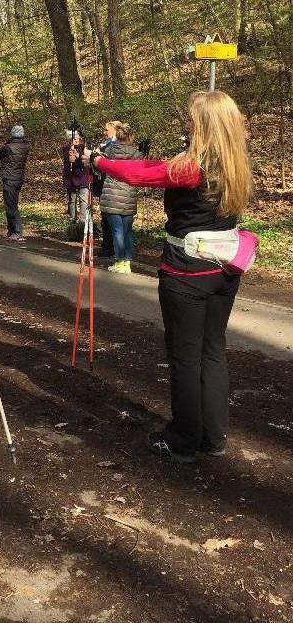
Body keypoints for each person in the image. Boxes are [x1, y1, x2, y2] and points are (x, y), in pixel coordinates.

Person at [85, 90, 253, 463]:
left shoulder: (193, 167)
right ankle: (213, 435)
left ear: (204, 125)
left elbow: (138, 173)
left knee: (185, 356)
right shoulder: (234, 161)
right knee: (212, 351)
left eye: (193, 119)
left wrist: (98, 160)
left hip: (188, 273)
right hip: (224, 270)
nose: (187, 124)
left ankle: (183, 439)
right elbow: (156, 166)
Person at [99, 123, 141, 274]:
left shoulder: (110, 150)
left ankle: (119, 261)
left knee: (117, 230)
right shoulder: (136, 154)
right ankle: (127, 263)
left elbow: (98, 163)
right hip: (128, 194)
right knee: (127, 231)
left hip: (112, 196)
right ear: (130, 137)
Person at [0, 125, 29, 241]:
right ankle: (11, 230)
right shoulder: (25, 146)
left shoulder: (8, 147)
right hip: (18, 178)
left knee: (11, 206)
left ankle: (17, 232)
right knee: (12, 204)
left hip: (10, 179)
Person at [95, 121, 121, 258]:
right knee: (105, 216)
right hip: (104, 184)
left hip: (112, 186)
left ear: (116, 131)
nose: (104, 132)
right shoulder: (105, 144)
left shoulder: (114, 146)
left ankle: (110, 247)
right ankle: (108, 245)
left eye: (107, 130)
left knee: (110, 217)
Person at [62, 129, 90, 224]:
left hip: (82, 177)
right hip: (71, 178)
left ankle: (83, 222)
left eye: (78, 137)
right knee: (72, 200)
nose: (77, 139)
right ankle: (73, 220)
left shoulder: (83, 147)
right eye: (74, 138)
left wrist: (79, 156)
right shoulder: (66, 148)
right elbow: (71, 159)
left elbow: (87, 159)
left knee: (83, 200)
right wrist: (74, 156)